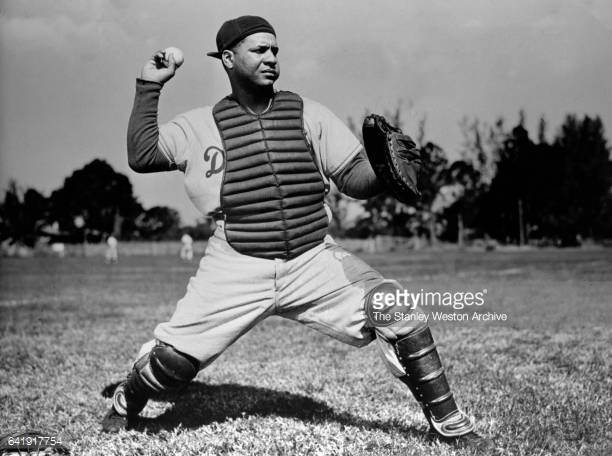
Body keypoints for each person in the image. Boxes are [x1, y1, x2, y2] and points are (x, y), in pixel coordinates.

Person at [102, 15, 489, 448]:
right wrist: (148, 84)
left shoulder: (308, 113)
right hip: (237, 261)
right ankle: (124, 402)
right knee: (173, 364)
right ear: (228, 59)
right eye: (259, 50)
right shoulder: (199, 126)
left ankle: (449, 423)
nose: (271, 58)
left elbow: (353, 179)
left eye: (275, 50)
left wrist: (384, 172)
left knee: (396, 307)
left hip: (312, 258)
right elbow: (142, 154)